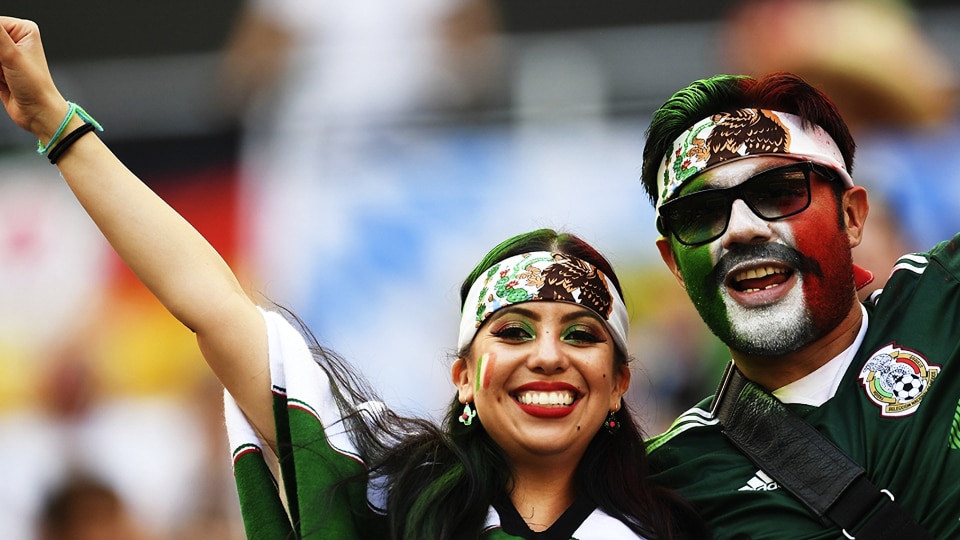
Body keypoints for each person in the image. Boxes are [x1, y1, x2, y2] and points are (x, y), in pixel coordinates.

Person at [0, 17, 705, 539]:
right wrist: (56, 125)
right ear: (462, 376)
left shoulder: (686, 520)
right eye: (514, 330)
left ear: (620, 381)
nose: (546, 354)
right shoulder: (397, 499)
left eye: (581, 333)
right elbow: (211, 305)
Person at [639, 71, 960, 538]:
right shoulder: (667, 490)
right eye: (702, 213)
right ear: (674, 262)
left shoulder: (947, 299)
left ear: (851, 216)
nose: (741, 229)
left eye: (779, 192)